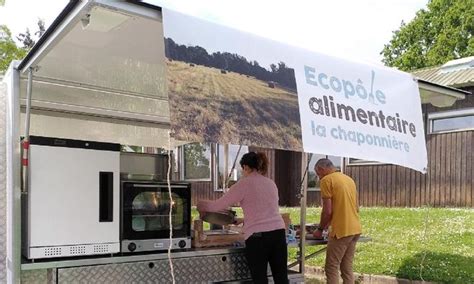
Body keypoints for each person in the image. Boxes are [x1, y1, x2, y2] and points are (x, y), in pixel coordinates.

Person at [197, 151, 288, 284]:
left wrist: (200, 204)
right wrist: (244, 220)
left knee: (260, 279)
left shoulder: (243, 184)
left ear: (245, 167)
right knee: (281, 278)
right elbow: (267, 211)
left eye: (242, 169)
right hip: (279, 233)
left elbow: (217, 206)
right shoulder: (270, 183)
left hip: (258, 238)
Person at [312, 158, 362, 284]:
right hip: (355, 228)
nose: (318, 178)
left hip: (341, 230)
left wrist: (320, 229)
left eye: (318, 174)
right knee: (346, 267)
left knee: (331, 267)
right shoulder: (348, 179)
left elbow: (327, 211)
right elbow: (355, 207)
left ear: (322, 169)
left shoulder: (326, 180)